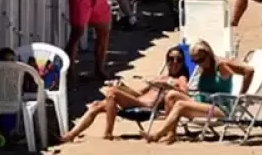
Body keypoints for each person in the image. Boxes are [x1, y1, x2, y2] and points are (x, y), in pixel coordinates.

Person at [59, 45, 190, 142]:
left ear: (182, 62)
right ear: (166, 61)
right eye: (171, 59)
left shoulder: (180, 79)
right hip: (136, 101)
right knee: (97, 105)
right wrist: (124, 87)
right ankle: (70, 135)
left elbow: (184, 94)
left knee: (112, 93)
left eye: (178, 60)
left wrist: (170, 87)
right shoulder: (158, 77)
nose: (174, 63)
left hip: (148, 107)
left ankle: (108, 133)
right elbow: (137, 93)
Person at [145, 41, 235, 144]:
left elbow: (247, 71)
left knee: (180, 104)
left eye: (200, 60)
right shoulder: (203, 70)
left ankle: (157, 134)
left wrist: (242, 94)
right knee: (171, 95)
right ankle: (171, 135)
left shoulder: (221, 67)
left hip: (219, 108)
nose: (198, 63)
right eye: (194, 61)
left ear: (209, 54)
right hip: (202, 105)